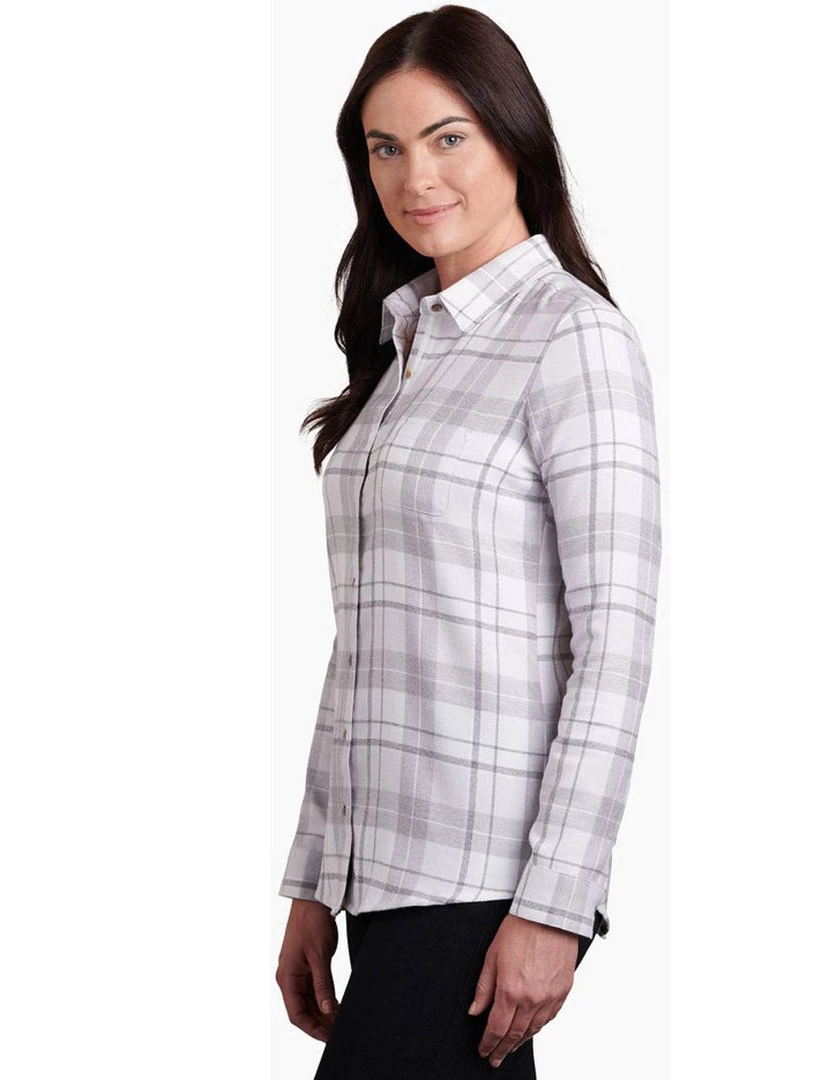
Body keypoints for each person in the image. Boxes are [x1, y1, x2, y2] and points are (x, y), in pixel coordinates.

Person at [275, 6, 662, 1077]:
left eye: (449, 137)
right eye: (385, 148)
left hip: (482, 881)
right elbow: (366, 649)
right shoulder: (403, 348)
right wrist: (314, 879)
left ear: (513, 136)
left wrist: (556, 904)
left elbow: (614, 645)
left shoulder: (575, 340)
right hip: (380, 878)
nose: (416, 177)